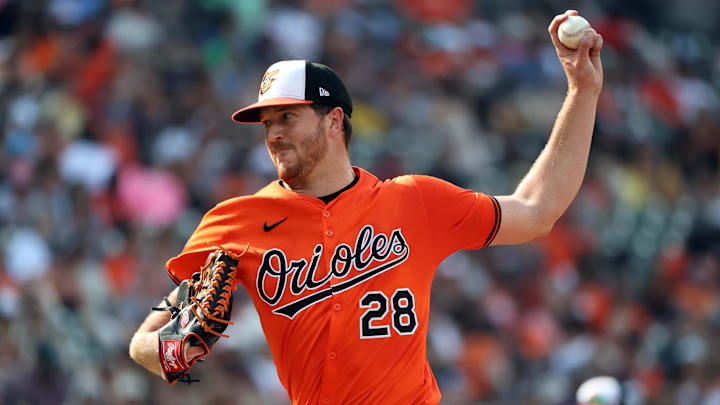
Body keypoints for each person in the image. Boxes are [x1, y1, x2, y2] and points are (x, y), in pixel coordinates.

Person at [129, 10, 603, 404]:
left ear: (334, 120)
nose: (272, 133)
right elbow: (142, 344)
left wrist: (583, 92)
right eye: (266, 122)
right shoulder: (236, 222)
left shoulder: (414, 200)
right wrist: (176, 349)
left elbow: (536, 210)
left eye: (288, 117)